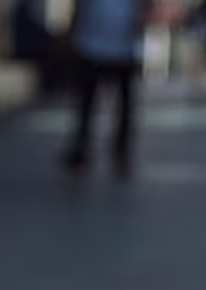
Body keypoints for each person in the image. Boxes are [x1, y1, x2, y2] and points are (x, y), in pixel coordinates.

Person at [61, 0, 149, 178]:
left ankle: (119, 151)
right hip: (92, 47)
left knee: (122, 106)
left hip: (121, 49)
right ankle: (82, 148)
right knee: (88, 103)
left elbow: (142, 13)